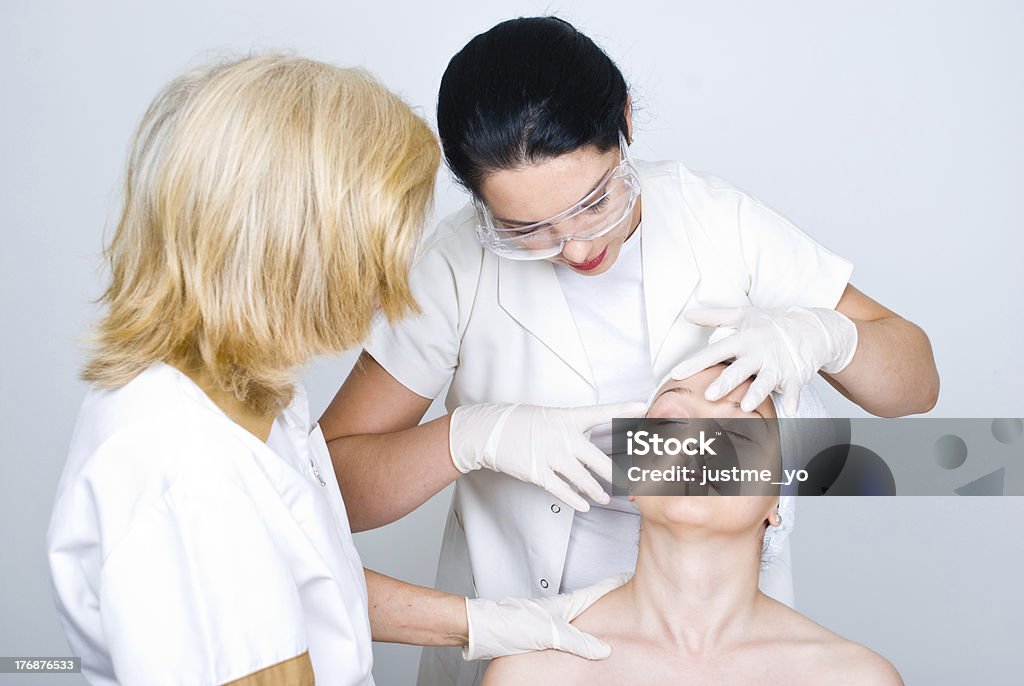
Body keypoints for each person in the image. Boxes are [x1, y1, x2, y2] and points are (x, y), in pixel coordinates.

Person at [320, 16, 937, 686]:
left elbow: (915, 384)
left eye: (594, 202)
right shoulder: (456, 268)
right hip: (521, 642)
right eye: (526, 229)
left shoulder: (718, 224)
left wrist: (828, 334)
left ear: (625, 122)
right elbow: (324, 495)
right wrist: (468, 438)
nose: (578, 249)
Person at [47, 54, 626, 686]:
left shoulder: (236, 394)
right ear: (296, 249)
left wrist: (482, 625)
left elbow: (307, 580)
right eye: (380, 245)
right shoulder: (185, 464)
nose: (393, 277)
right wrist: (471, 436)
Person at [483, 365, 904, 685]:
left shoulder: (851, 677)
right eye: (668, 423)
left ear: (779, 501)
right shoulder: (535, 670)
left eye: (737, 435)